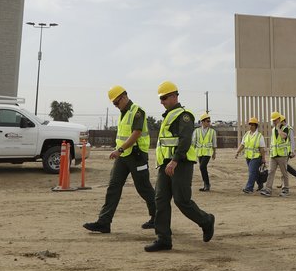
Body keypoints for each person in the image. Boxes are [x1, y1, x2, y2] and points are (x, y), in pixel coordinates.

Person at [146, 81, 215, 252]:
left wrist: (175, 160)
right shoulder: (168, 116)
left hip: (180, 164)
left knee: (181, 200)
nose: (161, 101)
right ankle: (163, 239)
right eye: (160, 98)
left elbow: (184, 140)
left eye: (164, 98)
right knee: (160, 199)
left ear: (174, 96)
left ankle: (206, 221)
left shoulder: (184, 115)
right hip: (165, 164)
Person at [83, 85, 157, 234]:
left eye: (117, 103)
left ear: (124, 97)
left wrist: (120, 149)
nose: (116, 106)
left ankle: (158, 218)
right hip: (123, 157)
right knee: (113, 187)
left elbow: (136, 133)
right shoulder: (123, 113)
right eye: (114, 104)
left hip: (137, 156)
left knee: (144, 189)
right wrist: (120, 150)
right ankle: (104, 222)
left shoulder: (137, 111)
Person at [235, 116, 268, 194]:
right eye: (250, 124)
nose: (250, 126)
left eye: (252, 125)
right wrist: (237, 152)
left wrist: (263, 158)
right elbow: (242, 144)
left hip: (256, 157)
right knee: (255, 172)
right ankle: (260, 185)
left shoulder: (260, 136)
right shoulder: (246, 134)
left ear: (256, 126)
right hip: (248, 157)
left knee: (252, 172)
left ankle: (249, 188)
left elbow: (262, 149)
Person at [262, 111, 292, 196]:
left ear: (279, 119)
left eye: (275, 120)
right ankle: (268, 189)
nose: (274, 122)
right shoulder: (273, 130)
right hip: (273, 154)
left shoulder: (285, 128)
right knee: (270, 171)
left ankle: (285, 189)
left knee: (284, 173)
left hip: (282, 155)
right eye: (273, 120)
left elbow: (283, 136)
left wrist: (279, 128)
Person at [193, 112, 217, 191]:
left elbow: (214, 143)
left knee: (202, 166)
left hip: (207, 152)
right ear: (202, 122)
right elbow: (193, 142)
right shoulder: (197, 131)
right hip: (199, 152)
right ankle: (205, 184)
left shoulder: (212, 131)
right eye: (207, 121)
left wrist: (214, 153)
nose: (209, 122)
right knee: (203, 168)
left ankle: (207, 184)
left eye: (209, 121)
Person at [281, 114, 296, 186]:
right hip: (282, 151)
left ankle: (285, 183)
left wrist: (292, 151)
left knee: (283, 166)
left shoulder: (289, 129)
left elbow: (292, 141)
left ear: (283, 121)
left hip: (287, 151)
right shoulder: (282, 128)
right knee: (283, 166)